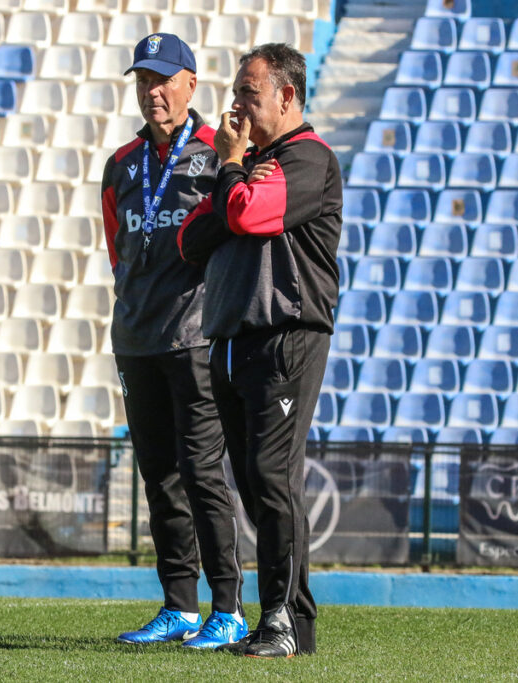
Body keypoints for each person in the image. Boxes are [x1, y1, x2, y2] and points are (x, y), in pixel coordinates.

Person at [177, 43, 343, 658]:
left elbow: (244, 215)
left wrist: (229, 173)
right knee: (252, 482)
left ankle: (289, 622)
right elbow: (190, 239)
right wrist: (234, 185)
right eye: (237, 91)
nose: (236, 103)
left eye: (249, 92)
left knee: (273, 478)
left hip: (285, 334)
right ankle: (273, 618)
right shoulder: (255, 162)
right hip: (234, 335)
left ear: (287, 97)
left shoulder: (306, 158)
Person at [100, 33, 248, 649]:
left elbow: (240, 226)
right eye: (142, 81)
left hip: (194, 337)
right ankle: (179, 605)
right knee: (158, 477)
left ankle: (229, 608)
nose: (152, 91)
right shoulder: (120, 164)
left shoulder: (219, 153)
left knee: (203, 475)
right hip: (136, 337)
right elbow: (117, 248)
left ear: (191, 84)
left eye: (163, 80)